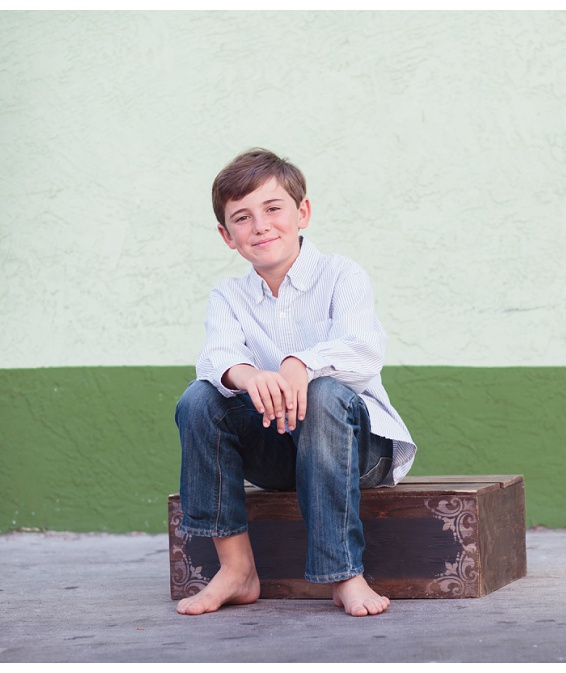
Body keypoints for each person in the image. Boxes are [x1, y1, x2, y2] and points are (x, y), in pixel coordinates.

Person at [175, 148, 416, 617]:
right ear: (227, 236)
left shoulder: (341, 274)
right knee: (199, 398)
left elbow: (364, 350)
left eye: (272, 209)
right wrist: (246, 374)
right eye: (242, 218)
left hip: (353, 448)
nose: (260, 226)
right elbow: (215, 357)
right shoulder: (228, 295)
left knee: (324, 394)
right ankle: (237, 569)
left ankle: (344, 573)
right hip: (278, 450)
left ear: (302, 212)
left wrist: (299, 364)